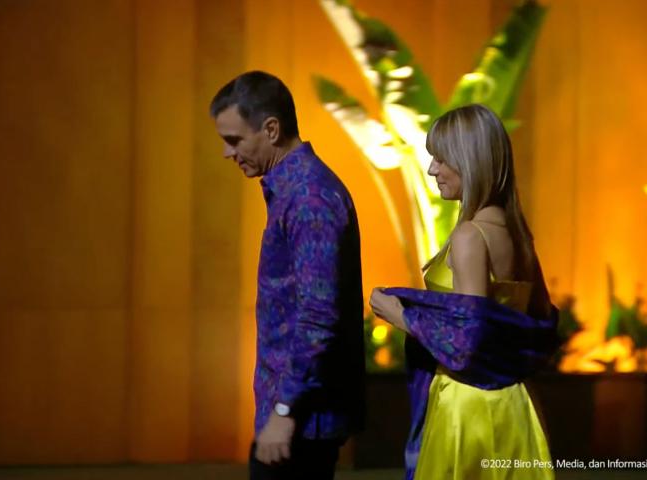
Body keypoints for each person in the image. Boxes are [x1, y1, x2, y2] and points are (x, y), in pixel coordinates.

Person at [370, 104, 557, 480]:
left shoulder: (471, 236)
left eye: (441, 159)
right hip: (517, 402)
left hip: (468, 406)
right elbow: (542, 322)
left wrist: (399, 314)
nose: (431, 169)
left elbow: (466, 341)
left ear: (470, 161)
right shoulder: (519, 236)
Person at [210, 71, 365, 480]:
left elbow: (318, 318)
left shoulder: (310, 199)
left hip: (301, 422)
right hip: (293, 417)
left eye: (234, 140)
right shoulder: (294, 192)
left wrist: (283, 411)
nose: (227, 153)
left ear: (271, 130)